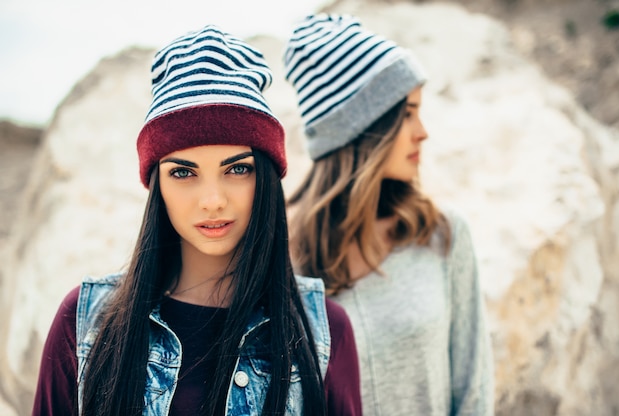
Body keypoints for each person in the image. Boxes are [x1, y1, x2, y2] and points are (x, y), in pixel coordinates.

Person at [32, 23, 362, 416]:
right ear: (157, 185)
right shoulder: (84, 323)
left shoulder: (324, 333)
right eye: (183, 172)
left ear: (267, 177)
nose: (212, 200)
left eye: (237, 170)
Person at [283, 14, 494, 415]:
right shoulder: (283, 260)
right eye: (408, 112)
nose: (423, 131)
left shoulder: (441, 234)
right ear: (363, 127)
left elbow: (474, 392)